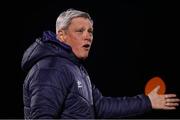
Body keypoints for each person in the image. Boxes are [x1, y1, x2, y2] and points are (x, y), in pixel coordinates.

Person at [21, 9, 180, 119]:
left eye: (90, 31)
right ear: (61, 35)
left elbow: (101, 107)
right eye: (80, 31)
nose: (87, 36)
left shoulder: (76, 69)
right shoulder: (51, 68)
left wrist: (148, 102)